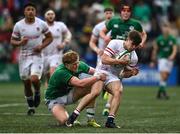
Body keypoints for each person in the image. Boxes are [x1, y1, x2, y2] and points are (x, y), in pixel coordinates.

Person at [66, 30, 142, 128]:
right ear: (128, 39)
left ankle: (110, 120)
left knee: (118, 91)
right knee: (96, 92)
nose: (134, 47)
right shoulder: (115, 43)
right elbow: (104, 59)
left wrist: (131, 73)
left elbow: (122, 74)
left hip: (113, 76)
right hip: (101, 71)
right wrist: (119, 61)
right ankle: (74, 115)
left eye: (136, 46)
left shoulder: (134, 57)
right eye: (133, 44)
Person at [100, 4, 147, 115]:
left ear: (130, 13)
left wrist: (142, 43)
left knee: (118, 79)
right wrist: (105, 37)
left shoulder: (135, 24)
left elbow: (143, 34)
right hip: (113, 50)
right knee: (103, 74)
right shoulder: (113, 22)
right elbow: (102, 32)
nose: (126, 12)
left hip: (127, 53)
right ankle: (104, 89)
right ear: (120, 12)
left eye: (128, 11)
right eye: (123, 10)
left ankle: (107, 106)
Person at [10, 3, 53, 115]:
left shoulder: (41, 24)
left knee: (34, 79)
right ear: (24, 12)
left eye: (32, 9)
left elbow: (50, 37)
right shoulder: (18, 25)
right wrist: (20, 42)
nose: (30, 11)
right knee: (26, 82)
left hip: (37, 56)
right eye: (28, 9)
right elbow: (12, 41)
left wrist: (41, 46)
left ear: (35, 11)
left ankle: (37, 92)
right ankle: (30, 106)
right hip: (24, 56)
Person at [45, 50, 106, 126]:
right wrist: (98, 77)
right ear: (66, 65)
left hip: (69, 94)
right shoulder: (61, 72)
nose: (76, 65)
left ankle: (90, 119)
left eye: (77, 63)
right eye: (74, 64)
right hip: (54, 99)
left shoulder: (79, 64)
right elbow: (80, 84)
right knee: (64, 121)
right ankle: (66, 115)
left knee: (91, 86)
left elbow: (96, 72)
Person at [89, 7, 114, 116]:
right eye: (107, 13)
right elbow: (92, 42)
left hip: (114, 59)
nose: (108, 14)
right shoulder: (98, 27)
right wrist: (97, 49)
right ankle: (91, 111)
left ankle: (107, 107)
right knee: (97, 84)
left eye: (110, 13)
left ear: (113, 14)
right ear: (104, 14)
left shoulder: (117, 27)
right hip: (102, 60)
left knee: (116, 82)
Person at [43, 9, 72, 86]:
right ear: (45, 16)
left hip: (56, 54)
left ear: (54, 16)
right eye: (48, 14)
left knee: (53, 71)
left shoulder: (60, 25)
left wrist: (64, 43)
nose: (50, 16)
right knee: (47, 74)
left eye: (52, 14)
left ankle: (52, 90)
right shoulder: (41, 26)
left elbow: (68, 34)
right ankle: (48, 82)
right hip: (43, 54)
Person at [150, 21, 177, 99]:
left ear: (169, 28)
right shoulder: (159, 39)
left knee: (166, 77)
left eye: (167, 27)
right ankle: (164, 92)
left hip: (170, 60)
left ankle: (160, 91)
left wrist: (172, 56)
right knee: (164, 75)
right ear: (162, 29)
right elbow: (155, 50)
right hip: (162, 59)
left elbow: (175, 49)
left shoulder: (172, 39)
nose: (165, 29)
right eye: (164, 27)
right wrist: (152, 60)